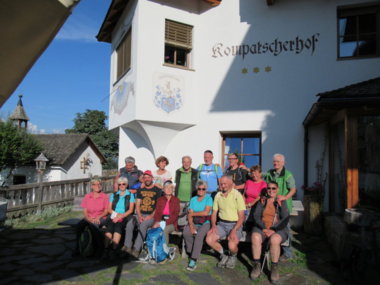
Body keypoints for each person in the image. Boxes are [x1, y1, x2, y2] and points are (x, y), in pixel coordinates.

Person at [250, 182, 289, 283]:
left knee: (275, 239)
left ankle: (274, 267)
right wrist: (263, 228)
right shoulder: (262, 201)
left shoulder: (281, 201)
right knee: (255, 237)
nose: (271, 190)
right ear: (266, 190)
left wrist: (273, 229)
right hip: (262, 228)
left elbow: (285, 218)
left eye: (274, 188)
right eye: (269, 188)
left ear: (277, 189)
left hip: (278, 229)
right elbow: (256, 216)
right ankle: (257, 265)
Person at [206, 175, 246, 269]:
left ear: (231, 184)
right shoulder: (218, 195)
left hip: (235, 224)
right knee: (209, 239)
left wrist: (234, 230)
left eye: (225, 184)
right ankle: (224, 255)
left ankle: (233, 256)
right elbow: (214, 213)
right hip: (222, 224)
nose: (223, 186)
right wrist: (213, 226)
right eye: (221, 184)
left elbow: (241, 217)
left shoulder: (237, 195)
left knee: (232, 245)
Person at [123, 170, 162, 258]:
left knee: (143, 225)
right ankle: (127, 247)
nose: (147, 179)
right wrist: (139, 216)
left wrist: (150, 216)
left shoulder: (157, 190)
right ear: (143, 179)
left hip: (152, 216)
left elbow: (158, 206)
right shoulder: (140, 189)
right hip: (140, 214)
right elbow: (137, 204)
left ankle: (137, 249)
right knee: (129, 224)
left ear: (152, 178)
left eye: (149, 177)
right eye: (145, 178)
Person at [265, 153, 296, 261]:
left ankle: (288, 253)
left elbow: (293, 189)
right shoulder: (270, 173)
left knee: (285, 227)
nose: (275, 163)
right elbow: (262, 178)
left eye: (278, 161)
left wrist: (285, 197)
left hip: (284, 206)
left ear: (283, 163)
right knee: (272, 225)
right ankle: (271, 247)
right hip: (273, 205)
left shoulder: (288, 174)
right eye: (274, 161)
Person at [183, 180, 213, 271]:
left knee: (199, 236)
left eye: (203, 189)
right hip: (194, 222)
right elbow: (189, 214)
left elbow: (206, 213)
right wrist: (191, 226)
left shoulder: (209, 199)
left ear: (206, 189)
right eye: (199, 189)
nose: (201, 190)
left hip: (205, 223)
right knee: (186, 232)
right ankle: (191, 251)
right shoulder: (193, 199)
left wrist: (193, 213)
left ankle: (193, 259)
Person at [75, 177, 109, 255]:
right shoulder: (87, 196)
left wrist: (98, 217)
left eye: (99, 184)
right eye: (94, 184)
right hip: (89, 217)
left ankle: (98, 248)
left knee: (94, 226)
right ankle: (78, 247)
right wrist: (88, 218)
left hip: (101, 217)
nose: (97, 186)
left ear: (101, 185)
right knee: (79, 226)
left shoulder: (104, 196)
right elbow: (85, 210)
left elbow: (106, 211)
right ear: (91, 186)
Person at [105, 176, 135, 252]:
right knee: (109, 227)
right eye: (119, 184)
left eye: (123, 184)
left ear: (127, 185)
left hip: (125, 216)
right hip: (114, 215)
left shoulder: (131, 195)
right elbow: (109, 209)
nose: (121, 186)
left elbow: (131, 210)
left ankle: (114, 250)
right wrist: (116, 215)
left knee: (118, 226)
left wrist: (120, 216)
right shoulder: (114, 195)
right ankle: (106, 250)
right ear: (118, 185)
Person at [152, 180, 180, 244]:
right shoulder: (160, 200)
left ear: (173, 189)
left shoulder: (176, 200)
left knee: (165, 230)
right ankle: (153, 249)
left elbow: (175, 215)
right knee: (153, 228)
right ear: (163, 189)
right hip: (160, 221)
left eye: (170, 188)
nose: (168, 189)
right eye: (166, 188)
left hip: (171, 223)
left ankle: (164, 250)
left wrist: (164, 223)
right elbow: (157, 213)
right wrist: (157, 222)